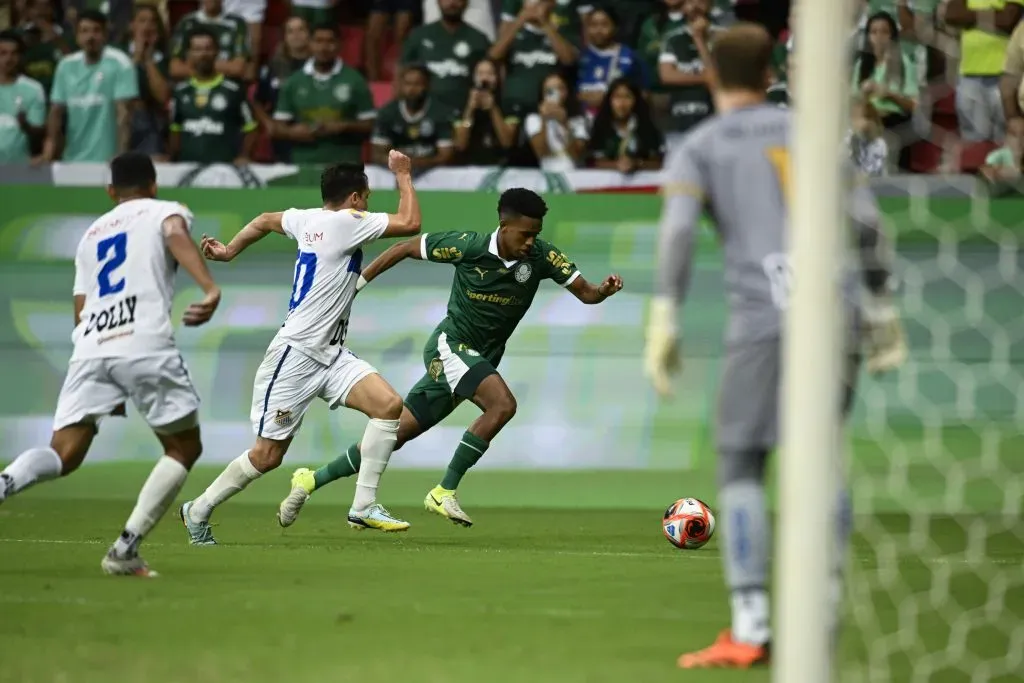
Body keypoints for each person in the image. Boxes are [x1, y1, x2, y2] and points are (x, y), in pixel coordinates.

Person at [642, 23, 907, 668]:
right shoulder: (815, 134)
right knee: (820, 458)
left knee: (739, 464)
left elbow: (678, 233)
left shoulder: (701, 144)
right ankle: (825, 606)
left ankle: (752, 624)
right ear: (771, 74)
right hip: (835, 308)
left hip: (763, 314)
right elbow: (868, 223)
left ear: (713, 76)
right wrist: (879, 306)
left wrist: (664, 315)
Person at [276, 188, 624, 530]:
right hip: (451, 345)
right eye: (526, 233)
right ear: (504, 226)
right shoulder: (467, 246)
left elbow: (587, 294)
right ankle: (444, 491)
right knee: (502, 405)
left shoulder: (542, 257)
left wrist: (603, 290)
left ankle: (310, 480)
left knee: (394, 436)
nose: (531, 241)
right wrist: (357, 285)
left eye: (536, 234)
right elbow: (402, 248)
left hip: (479, 358)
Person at [180, 153, 422, 544]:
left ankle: (363, 506)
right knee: (266, 457)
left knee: (388, 406)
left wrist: (229, 251)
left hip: (331, 353)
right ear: (356, 199)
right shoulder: (348, 222)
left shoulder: (307, 218)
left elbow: (263, 221)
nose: (369, 203)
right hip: (296, 355)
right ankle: (198, 508)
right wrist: (404, 174)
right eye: (367, 196)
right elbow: (411, 222)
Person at [0, 152, 221, 577]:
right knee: (183, 447)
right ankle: (124, 551)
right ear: (153, 185)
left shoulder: (90, 235)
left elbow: (80, 309)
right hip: (141, 340)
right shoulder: (165, 210)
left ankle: (5, 481)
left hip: (91, 346)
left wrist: (109, 377)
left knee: (63, 453)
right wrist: (208, 288)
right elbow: (175, 232)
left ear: (110, 192)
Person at [40, 10, 138, 163]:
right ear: (77, 36)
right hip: (71, 159)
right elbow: (55, 113)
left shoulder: (120, 63)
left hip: (108, 160)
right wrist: (49, 152)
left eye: (96, 30)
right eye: (84, 31)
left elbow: (124, 114)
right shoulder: (66, 66)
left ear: (105, 34)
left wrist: (121, 155)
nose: (90, 37)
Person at [273, 24, 376, 166]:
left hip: (345, 165)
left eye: (330, 41)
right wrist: (292, 132)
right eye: (318, 41)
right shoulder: (294, 82)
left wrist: (345, 126)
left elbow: (371, 125)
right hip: (303, 164)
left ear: (339, 45)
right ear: (310, 44)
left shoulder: (355, 80)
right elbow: (278, 127)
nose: (324, 47)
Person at [168, 27, 257, 165]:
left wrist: (244, 155)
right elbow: (175, 130)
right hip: (186, 167)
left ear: (217, 52)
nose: (203, 54)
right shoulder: (180, 92)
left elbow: (250, 128)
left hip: (224, 169)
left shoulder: (233, 90)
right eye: (197, 49)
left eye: (208, 48)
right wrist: (172, 159)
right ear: (188, 54)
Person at [489, 0, 579, 121]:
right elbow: (494, 55)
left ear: (553, 4)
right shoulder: (515, 32)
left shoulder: (562, 30)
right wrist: (520, 20)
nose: (535, 5)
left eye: (542, 2)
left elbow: (568, 59)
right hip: (514, 106)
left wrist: (545, 24)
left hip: (549, 107)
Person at [400, 0, 492, 112]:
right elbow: (402, 72)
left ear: (467, 3)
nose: (452, 3)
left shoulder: (479, 39)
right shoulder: (418, 36)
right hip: (425, 115)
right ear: (438, 2)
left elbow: (488, 80)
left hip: (465, 113)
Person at [658, 0, 721, 148]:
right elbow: (666, 76)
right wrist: (703, 77)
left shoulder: (723, 36)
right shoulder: (672, 38)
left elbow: (717, 80)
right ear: (683, 6)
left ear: (710, 4)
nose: (695, 6)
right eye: (690, 1)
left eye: (701, 1)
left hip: (714, 119)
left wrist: (699, 40)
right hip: (679, 117)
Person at [372, 64, 455, 170]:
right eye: (407, 84)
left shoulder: (440, 113)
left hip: (433, 172)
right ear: (401, 86)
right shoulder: (388, 113)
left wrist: (415, 162)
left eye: (417, 84)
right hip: (394, 171)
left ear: (427, 86)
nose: (411, 89)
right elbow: (377, 154)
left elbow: (445, 156)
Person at [577, 4, 647, 116]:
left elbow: (643, 93)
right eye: (593, 25)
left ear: (615, 28)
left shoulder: (630, 57)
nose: (598, 30)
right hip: (581, 121)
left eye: (604, 25)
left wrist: (608, 99)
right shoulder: (579, 57)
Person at [121, 5, 171, 156]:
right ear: (132, 25)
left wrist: (148, 59)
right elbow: (119, 87)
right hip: (120, 118)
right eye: (142, 20)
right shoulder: (118, 54)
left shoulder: (163, 59)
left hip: (151, 120)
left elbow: (162, 96)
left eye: (153, 22)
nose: (147, 26)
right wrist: (136, 57)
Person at [588, 77, 664, 172]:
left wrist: (636, 163)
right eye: (617, 97)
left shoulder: (647, 125)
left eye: (627, 97)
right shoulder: (601, 125)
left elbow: (658, 162)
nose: (622, 103)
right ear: (609, 100)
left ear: (635, 100)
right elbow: (594, 161)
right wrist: (616, 165)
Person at [453, 57, 516, 164]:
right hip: (470, 165)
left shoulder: (507, 104)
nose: (484, 78)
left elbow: (507, 142)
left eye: (490, 73)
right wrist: (470, 110)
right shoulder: (463, 104)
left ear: (497, 77)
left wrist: (493, 109)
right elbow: (460, 144)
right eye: (480, 73)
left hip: (501, 163)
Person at [169, 0, 250, 82]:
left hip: (226, 85)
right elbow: (175, 69)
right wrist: (222, 67)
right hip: (193, 86)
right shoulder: (187, 23)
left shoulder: (237, 23)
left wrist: (199, 66)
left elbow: (238, 69)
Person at [524, 71, 588, 171]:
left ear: (567, 92)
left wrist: (564, 123)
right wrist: (544, 120)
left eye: (560, 88)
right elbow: (541, 153)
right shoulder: (533, 119)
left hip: (575, 173)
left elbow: (577, 155)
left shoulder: (578, 119)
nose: (555, 93)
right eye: (549, 90)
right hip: (548, 173)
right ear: (542, 94)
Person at [0, 30, 47, 163]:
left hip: (19, 168)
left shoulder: (33, 89)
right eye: (3, 53)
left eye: (14, 53)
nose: (8, 59)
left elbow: (39, 131)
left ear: (21, 56)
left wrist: (25, 124)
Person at [847, 97, 889, 177]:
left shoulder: (879, 144)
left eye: (857, 117)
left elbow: (869, 172)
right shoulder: (849, 136)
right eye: (852, 116)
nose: (853, 120)